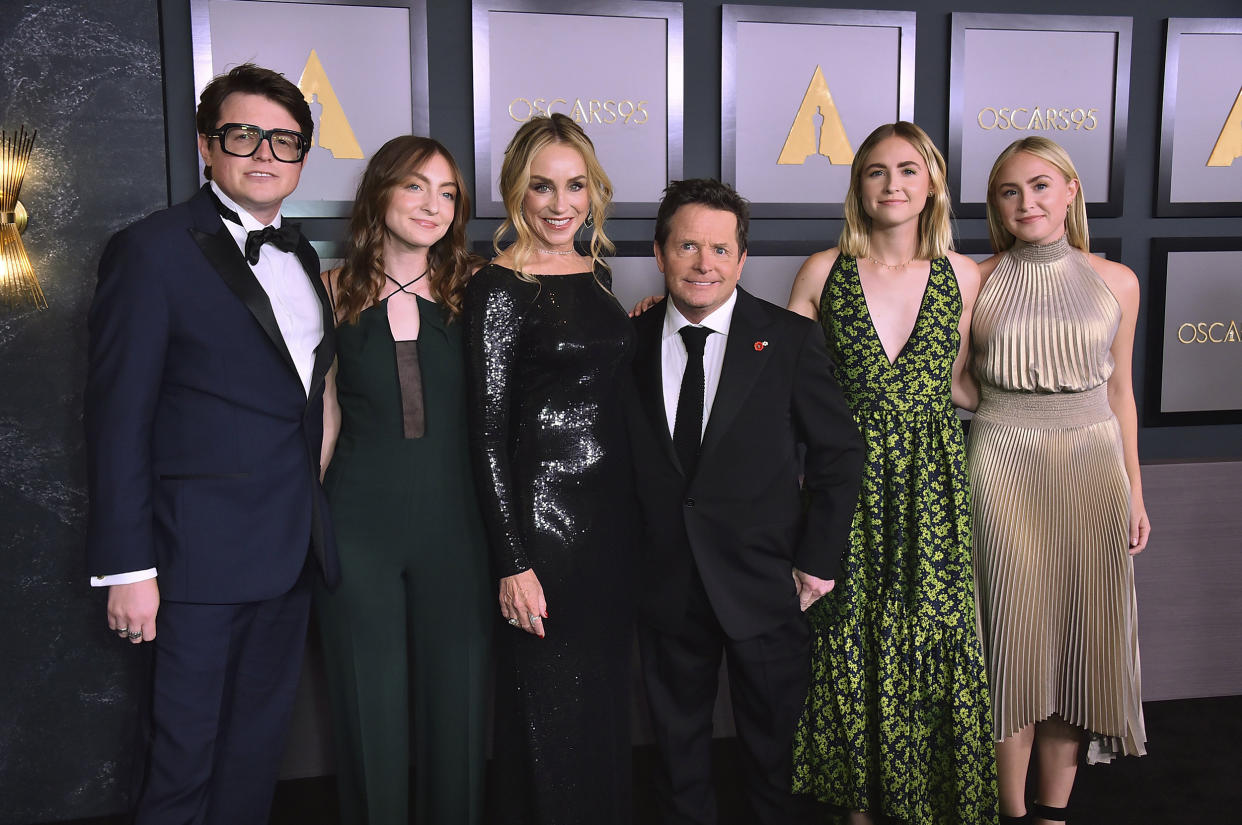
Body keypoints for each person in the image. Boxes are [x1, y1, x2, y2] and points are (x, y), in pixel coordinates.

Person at [84, 63, 337, 824]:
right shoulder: (151, 251)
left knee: (254, 760)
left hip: (289, 553)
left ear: (300, 158)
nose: (265, 153)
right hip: (191, 562)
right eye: (244, 134)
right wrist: (128, 566)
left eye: (285, 141)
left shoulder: (304, 257)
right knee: (180, 764)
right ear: (207, 145)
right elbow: (116, 417)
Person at [626, 177, 864, 825]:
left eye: (721, 249)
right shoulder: (630, 342)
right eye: (688, 246)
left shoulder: (787, 340)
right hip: (667, 584)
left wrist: (817, 561)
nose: (705, 263)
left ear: (742, 258)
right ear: (659, 252)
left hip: (768, 583)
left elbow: (840, 455)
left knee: (773, 756)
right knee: (677, 756)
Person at [786, 122, 997, 824]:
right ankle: (859, 808)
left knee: (933, 637)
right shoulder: (823, 271)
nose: (893, 184)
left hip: (935, 486)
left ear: (932, 180)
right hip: (845, 484)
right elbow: (777, 382)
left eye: (908, 169)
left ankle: (924, 804)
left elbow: (969, 383)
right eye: (876, 171)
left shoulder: (966, 275)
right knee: (848, 641)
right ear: (858, 186)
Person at [968, 136, 1149, 825]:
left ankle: (1051, 815)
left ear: (1072, 190)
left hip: (1094, 465)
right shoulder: (975, 279)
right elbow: (954, 378)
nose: (1027, 202)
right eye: (1010, 192)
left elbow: (1123, 392)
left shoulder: (1118, 279)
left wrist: (1135, 488)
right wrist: (1006, 406)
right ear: (997, 206)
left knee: (1080, 640)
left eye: (1041, 185)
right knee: (1011, 640)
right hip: (1001, 461)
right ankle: (1007, 811)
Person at [463, 112, 634, 825]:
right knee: (545, 713)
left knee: (600, 709)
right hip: (542, 534)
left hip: (608, 530)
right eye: (542, 187)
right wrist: (512, 560)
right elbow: (485, 432)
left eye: (575, 186)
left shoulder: (597, 273)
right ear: (515, 193)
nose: (561, 204)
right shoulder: (499, 288)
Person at [314, 136, 491, 825]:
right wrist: (305, 522)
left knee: (459, 703)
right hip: (358, 523)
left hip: (460, 524)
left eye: (448, 193)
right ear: (380, 192)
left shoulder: (477, 285)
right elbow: (324, 414)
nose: (433, 205)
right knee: (368, 704)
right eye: (416, 186)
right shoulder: (332, 288)